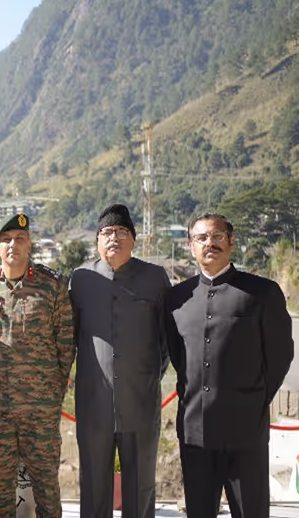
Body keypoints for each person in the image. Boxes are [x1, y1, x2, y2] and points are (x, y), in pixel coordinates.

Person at [166, 213, 294, 518]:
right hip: (195, 434)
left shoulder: (262, 293)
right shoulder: (175, 298)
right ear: (190, 245)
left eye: (217, 236)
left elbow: (280, 356)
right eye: (201, 238)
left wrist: (252, 399)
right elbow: (176, 356)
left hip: (246, 434)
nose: (209, 243)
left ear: (231, 242)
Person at [68, 205, 170, 518]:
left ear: (133, 240)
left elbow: (167, 339)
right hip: (93, 407)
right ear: (97, 241)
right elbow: (69, 336)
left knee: (139, 491)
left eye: (122, 232)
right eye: (107, 233)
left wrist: (147, 376)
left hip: (139, 405)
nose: (114, 238)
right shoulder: (81, 280)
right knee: (94, 490)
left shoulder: (155, 278)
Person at [0, 213, 75, 518]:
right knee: (0, 492)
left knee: (46, 489)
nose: (13, 245)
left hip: (39, 409)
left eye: (20, 238)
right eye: (6, 239)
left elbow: (66, 343)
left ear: (30, 243)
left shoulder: (52, 286)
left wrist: (51, 392)